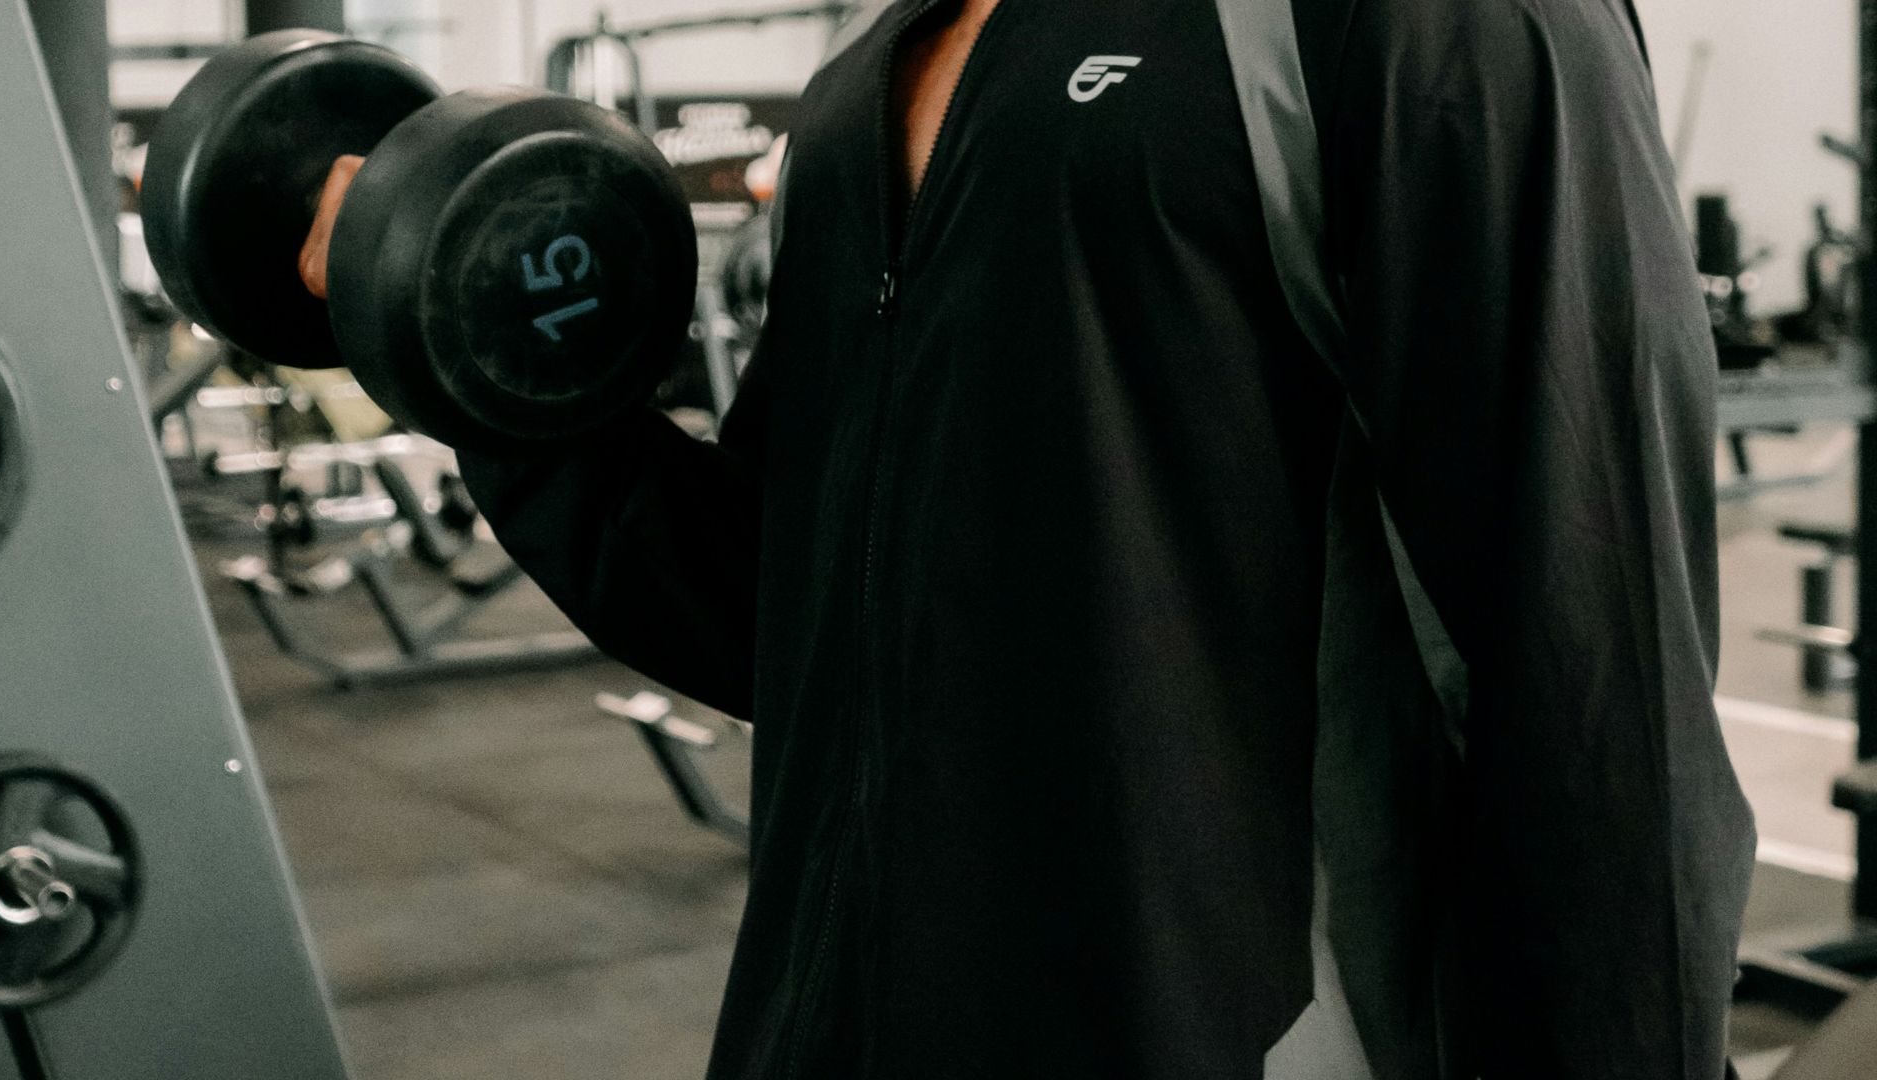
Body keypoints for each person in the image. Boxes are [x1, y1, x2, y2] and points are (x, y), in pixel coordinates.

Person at [300, 0, 1756, 1076]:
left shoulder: (1424, 24)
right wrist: (464, 339)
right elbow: (784, 611)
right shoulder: (870, 75)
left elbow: (1601, 688)